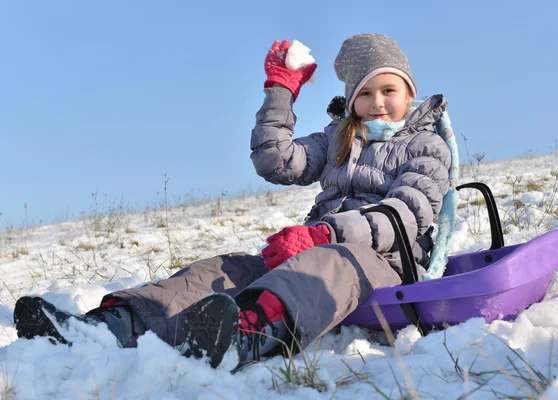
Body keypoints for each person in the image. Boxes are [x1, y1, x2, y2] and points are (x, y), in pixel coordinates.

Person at [14, 33, 451, 370]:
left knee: (330, 262)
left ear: (409, 93)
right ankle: (110, 326)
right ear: (352, 100)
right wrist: (281, 92)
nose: (377, 103)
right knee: (224, 270)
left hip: (384, 265)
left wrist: (324, 232)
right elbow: (275, 161)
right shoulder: (339, 138)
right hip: (317, 248)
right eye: (366, 94)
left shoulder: (427, 146)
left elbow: (404, 215)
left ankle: (245, 332)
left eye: (389, 90)